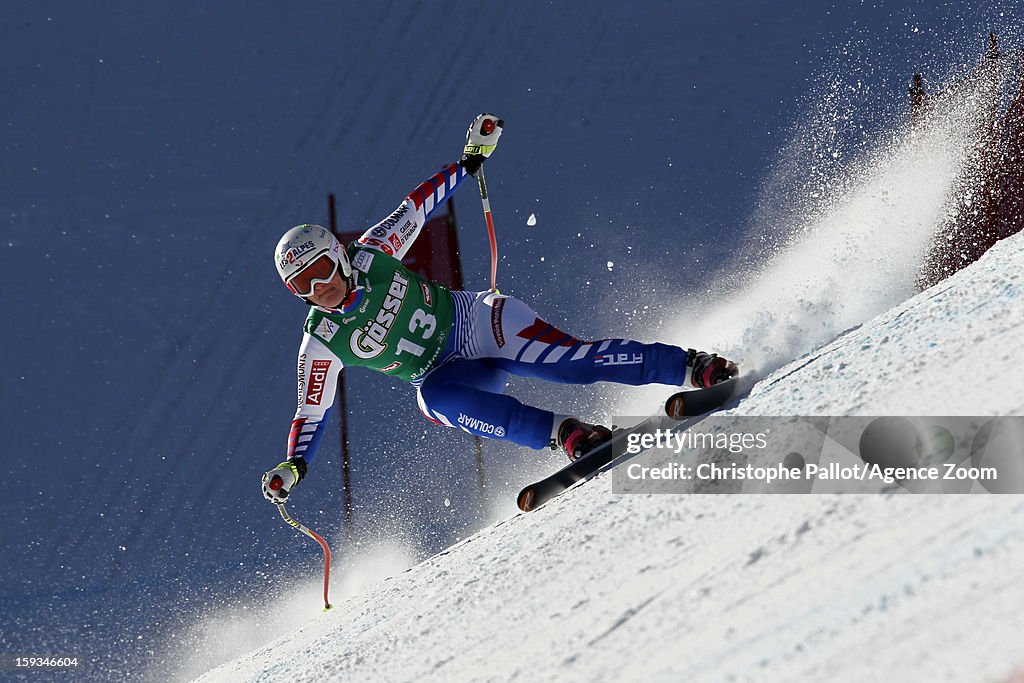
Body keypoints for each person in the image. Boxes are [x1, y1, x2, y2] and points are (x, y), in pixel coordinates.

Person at [261, 114, 738, 504]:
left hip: (478, 326)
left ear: (339, 256)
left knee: (572, 366)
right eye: (302, 284)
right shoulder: (320, 341)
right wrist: (294, 466)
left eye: (322, 269)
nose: (319, 287)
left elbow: (416, 207)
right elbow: (309, 413)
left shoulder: (374, 253)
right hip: (449, 374)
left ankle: (690, 366)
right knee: (434, 401)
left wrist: (468, 163)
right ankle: (568, 435)